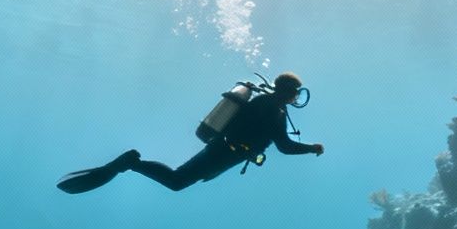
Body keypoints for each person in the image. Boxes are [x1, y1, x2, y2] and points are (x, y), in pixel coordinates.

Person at [57, 72, 325, 193]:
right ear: (289, 93)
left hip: (222, 150)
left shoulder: (261, 103)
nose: (295, 99)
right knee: (176, 182)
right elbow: (284, 146)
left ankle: (132, 163)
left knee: (178, 180)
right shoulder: (274, 111)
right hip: (223, 153)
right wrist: (312, 148)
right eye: (295, 93)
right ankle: (131, 162)